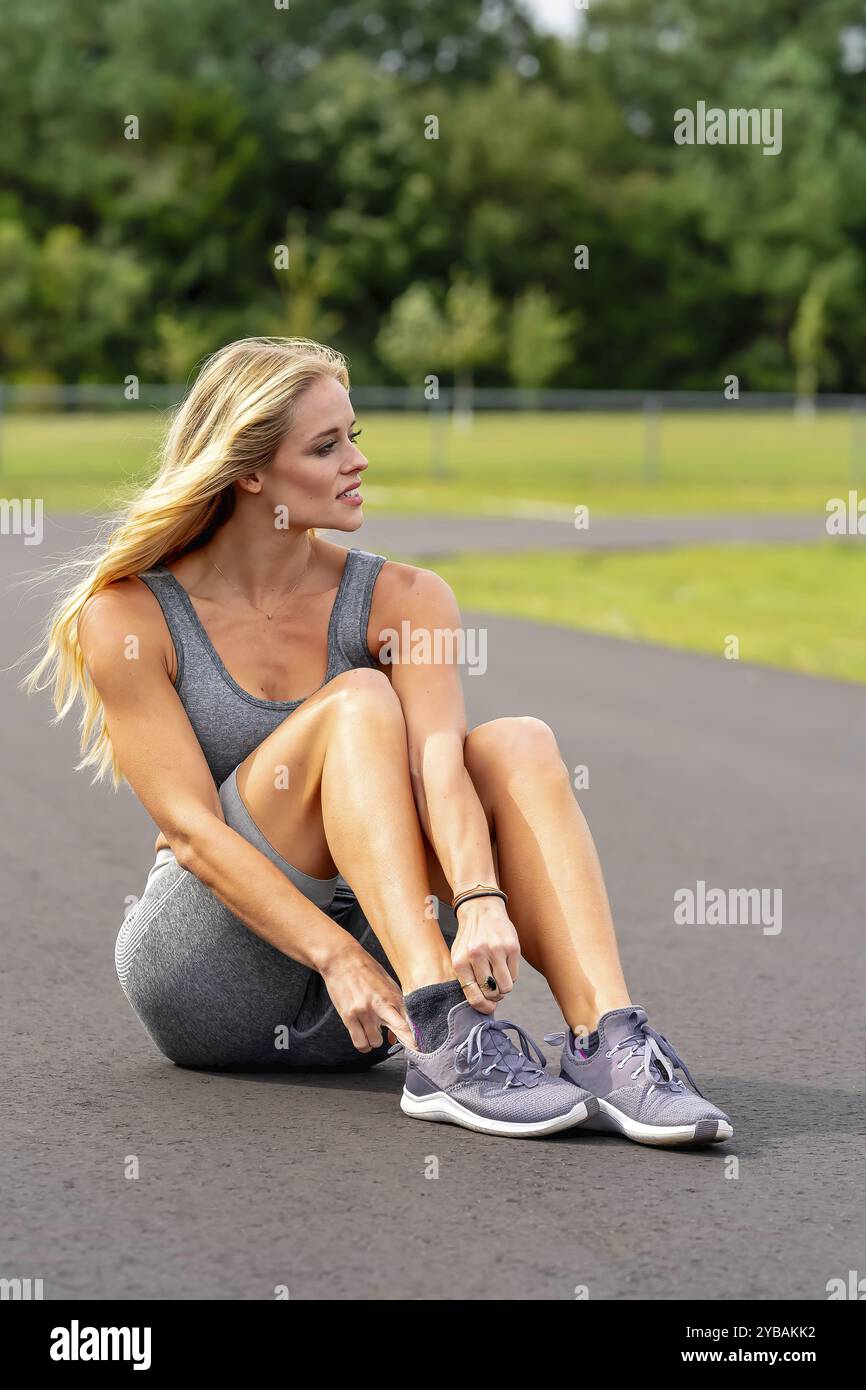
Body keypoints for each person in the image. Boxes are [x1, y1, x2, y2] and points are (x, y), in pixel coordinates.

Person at [24, 337, 733, 1145]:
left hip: (364, 1006)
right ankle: (446, 1030)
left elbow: (440, 767)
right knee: (358, 702)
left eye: (355, 435)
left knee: (518, 744)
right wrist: (334, 956)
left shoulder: (405, 598)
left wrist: (479, 901)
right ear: (250, 472)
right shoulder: (129, 613)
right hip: (208, 976)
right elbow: (190, 833)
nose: (356, 460)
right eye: (326, 446)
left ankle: (606, 1040)